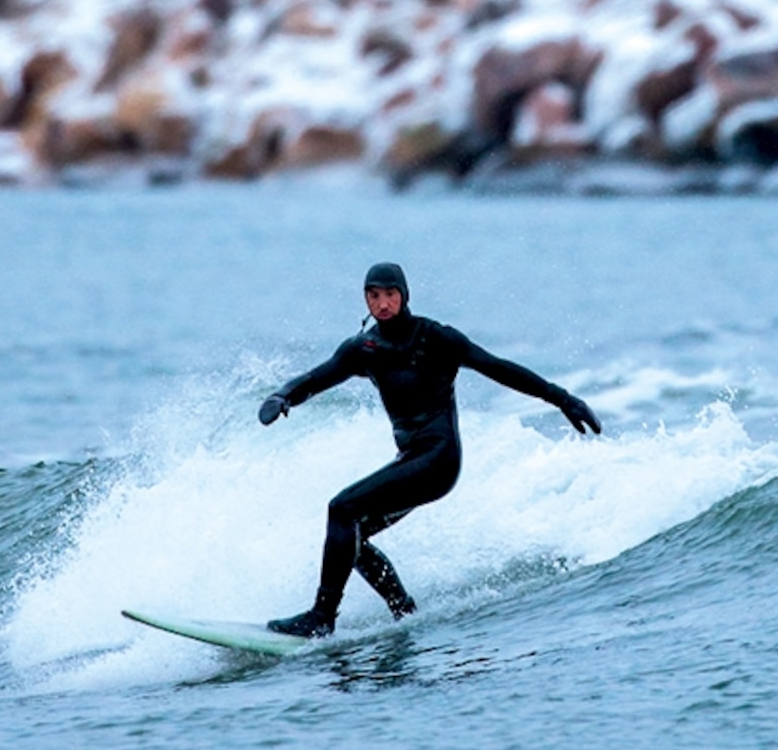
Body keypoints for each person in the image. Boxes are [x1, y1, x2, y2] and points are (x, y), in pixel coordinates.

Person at [257, 259, 601, 637]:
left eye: (391, 294)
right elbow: (317, 377)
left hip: (438, 459)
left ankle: (322, 618)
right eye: (374, 296)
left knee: (341, 509)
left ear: (405, 296)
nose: (383, 303)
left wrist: (562, 399)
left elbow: (498, 367)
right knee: (351, 536)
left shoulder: (436, 338)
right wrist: (283, 395)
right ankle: (404, 612)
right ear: (366, 299)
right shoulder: (364, 349)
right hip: (410, 459)